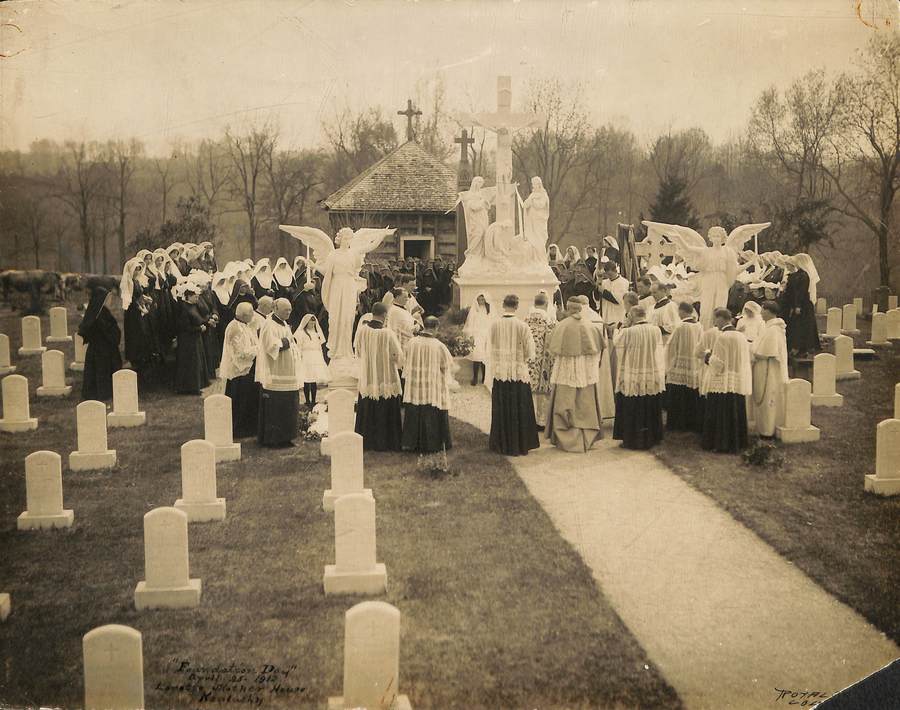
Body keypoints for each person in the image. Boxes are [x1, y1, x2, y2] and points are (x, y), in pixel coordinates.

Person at [545, 298, 606, 452]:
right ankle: (587, 437)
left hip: (567, 373)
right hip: (587, 373)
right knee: (585, 403)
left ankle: (567, 439)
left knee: (565, 403)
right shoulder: (590, 326)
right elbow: (598, 349)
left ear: (568, 308)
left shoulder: (561, 326)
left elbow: (552, 350)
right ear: (580, 309)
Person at [488, 294, 540, 456]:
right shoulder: (522, 325)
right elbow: (531, 352)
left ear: (504, 305)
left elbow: (489, 347)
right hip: (518, 371)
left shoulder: (495, 325)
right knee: (519, 408)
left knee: (502, 407)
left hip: (501, 371)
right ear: (516, 306)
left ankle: (501, 442)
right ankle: (520, 443)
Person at [613, 306, 666, 449]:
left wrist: (619, 328)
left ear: (632, 316)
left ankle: (632, 439)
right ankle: (652, 437)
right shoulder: (655, 330)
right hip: (650, 370)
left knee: (633, 405)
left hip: (633, 371)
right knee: (649, 403)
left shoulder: (628, 332)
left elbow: (616, 344)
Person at [701, 308, 752, 453]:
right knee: (735, 412)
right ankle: (738, 442)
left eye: (715, 319)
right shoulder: (741, 336)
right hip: (737, 380)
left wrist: (707, 355)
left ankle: (720, 443)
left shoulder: (722, 337)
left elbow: (718, 364)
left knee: (721, 414)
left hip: (722, 382)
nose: (714, 322)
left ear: (722, 319)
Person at [355, 302, 404, 451]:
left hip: (369, 375)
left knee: (368, 403)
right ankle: (388, 442)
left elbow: (357, 350)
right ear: (384, 315)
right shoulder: (387, 333)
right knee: (386, 400)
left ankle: (367, 441)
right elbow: (398, 356)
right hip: (385, 376)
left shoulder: (362, 331)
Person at [401, 316, 454, 453]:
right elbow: (446, 365)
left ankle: (410, 443)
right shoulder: (439, 346)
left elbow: (404, 360)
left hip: (414, 385)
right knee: (431, 410)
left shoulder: (411, 342)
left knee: (414, 411)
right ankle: (431, 444)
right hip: (430, 387)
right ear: (436, 328)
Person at [256, 298, 303, 447]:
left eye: (290, 310)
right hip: (276, 372)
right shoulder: (269, 325)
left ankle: (286, 437)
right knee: (277, 406)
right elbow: (271, 346)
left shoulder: (283, 323)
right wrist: (286, 342)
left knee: (289, 405)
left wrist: (290, 341)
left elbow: (290, 339)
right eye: (285, 310)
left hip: (288, 372)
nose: (288, 312)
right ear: (275, 309)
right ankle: (274, 439)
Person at [221, 302, 261, 438]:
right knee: (240, 402)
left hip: (247, 369)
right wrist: (259, 349)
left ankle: (249, 427)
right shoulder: (235, 328)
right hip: (239, 370)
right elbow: (240, 353)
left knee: (247, 400)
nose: (253, 316)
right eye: (251, 313)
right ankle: (239, 429)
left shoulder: (245, 325)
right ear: (244, 315)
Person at [750, 300, 789, 439]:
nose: (760, 312)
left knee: (768, 397)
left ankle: (767, 430)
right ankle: (762, 427)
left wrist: (753, 352)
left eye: (763, 309)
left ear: (769, 311)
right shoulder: (767, 327)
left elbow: (768, 351)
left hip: (768, 367)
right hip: (762, 365)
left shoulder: (774, 330)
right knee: (762, 396)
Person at [664, 302, 704, 432]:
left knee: (678, 395)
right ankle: (692, 423)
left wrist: (668, 363)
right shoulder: (699, 326)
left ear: (682, 311)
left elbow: (670, 345)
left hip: (679, 364)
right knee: (692, 394)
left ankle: (677, 424)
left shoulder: (680, 326)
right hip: (694, 364)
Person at [78, 287, 122, 401]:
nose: (110, 301)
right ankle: (102, 393)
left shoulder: (102, 311)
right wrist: (114, 335)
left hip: (105, 348)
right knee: (101, 372)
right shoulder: (98, 315)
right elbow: (105, 330)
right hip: (101, 350)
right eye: (108, 299)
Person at [525, 293, 556, 430]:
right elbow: (552, 343)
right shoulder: (549, 321)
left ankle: (528, 420)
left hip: (528, 361)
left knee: (529, 391)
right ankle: (541, 421)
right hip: (543, 363)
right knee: (542, 393)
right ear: (546, 304)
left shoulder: (525, 320)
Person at [780, 253, 820, 357]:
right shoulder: (797, 274)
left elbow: (801, 292)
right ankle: (797, 346)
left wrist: (798, 306)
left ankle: (804, 347)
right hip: (798, 304)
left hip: (803, 305)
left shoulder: (804, 275)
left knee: (802, 326)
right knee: (797, 326)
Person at [174, 286, 209, 395]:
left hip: (195, 339)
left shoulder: (193, 306)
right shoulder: (184, 308)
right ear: (188, 296)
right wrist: (199, 328)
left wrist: (206, 323)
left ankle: (196, 386)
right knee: (191, 364)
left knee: (197, 363)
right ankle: (189, 388)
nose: (197, 299)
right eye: (195, 296)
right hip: (187, 341)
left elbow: (199, 318)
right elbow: (184, 327)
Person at [295, 314, 329, 407]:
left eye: (314, 321)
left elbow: (319, 347)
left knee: (314, 379)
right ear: (306, 322)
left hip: (315, 357)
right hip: (306, 356)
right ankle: (307, 400)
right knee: (307, 379)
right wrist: (300, 356)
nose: (312, 323)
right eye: (311, 321)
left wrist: (321, 357)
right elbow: (299, 346)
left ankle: (313, 400)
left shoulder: (316, 334)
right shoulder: (301, 333)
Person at [464, 293, 493, 386]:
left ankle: (484, 377)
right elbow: (470, 324)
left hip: (486, 335)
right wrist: (471, 336)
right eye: (479, 300)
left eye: (483, 299)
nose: (481, 301)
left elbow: (491, 323)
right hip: (477, 335)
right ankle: (475, 377)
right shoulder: (474, 311)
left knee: (485, 357)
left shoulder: (488, 310)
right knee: (476, 356)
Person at [599, 261, 629, 330]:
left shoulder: (623, 282)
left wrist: (604, 292)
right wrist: (597, 288)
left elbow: (618, 299)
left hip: (616, 315)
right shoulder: (604, 282)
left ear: (615, 270)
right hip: (604, 314)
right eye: (607, 274)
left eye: (610, 274)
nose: (609, 276)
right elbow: (597, 299)